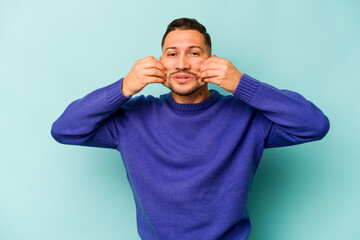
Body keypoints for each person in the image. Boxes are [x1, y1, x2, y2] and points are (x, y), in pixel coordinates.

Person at [51, 18, 330, 240]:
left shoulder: (246, 118)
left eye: (194, 53)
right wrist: (124, 87)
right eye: (172, 54)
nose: (182, 63)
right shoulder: (132, 119)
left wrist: (240, 83)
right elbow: (65, 129)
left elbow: (314, 125)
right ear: (160, 62)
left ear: (211, 61)